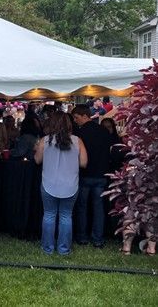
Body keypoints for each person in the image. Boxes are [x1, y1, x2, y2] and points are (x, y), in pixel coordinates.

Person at [34, 112, 88, 255]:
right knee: (66, 216)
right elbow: (84, 163)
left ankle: (47, 249)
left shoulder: (44, 141)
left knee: (49, 215)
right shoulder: (78, 141)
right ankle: (64, 249)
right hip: (71, 184)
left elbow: (37, 160)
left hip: (48, 183)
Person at [71, 104, 111, 248]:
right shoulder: (104, 131)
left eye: (76, 117)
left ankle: (82, 237)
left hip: (85, 174)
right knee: (98, 207)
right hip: (101, 174)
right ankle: (98, 238)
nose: (75, 121)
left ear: (85, 116)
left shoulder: (79, 134)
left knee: (82, 207)